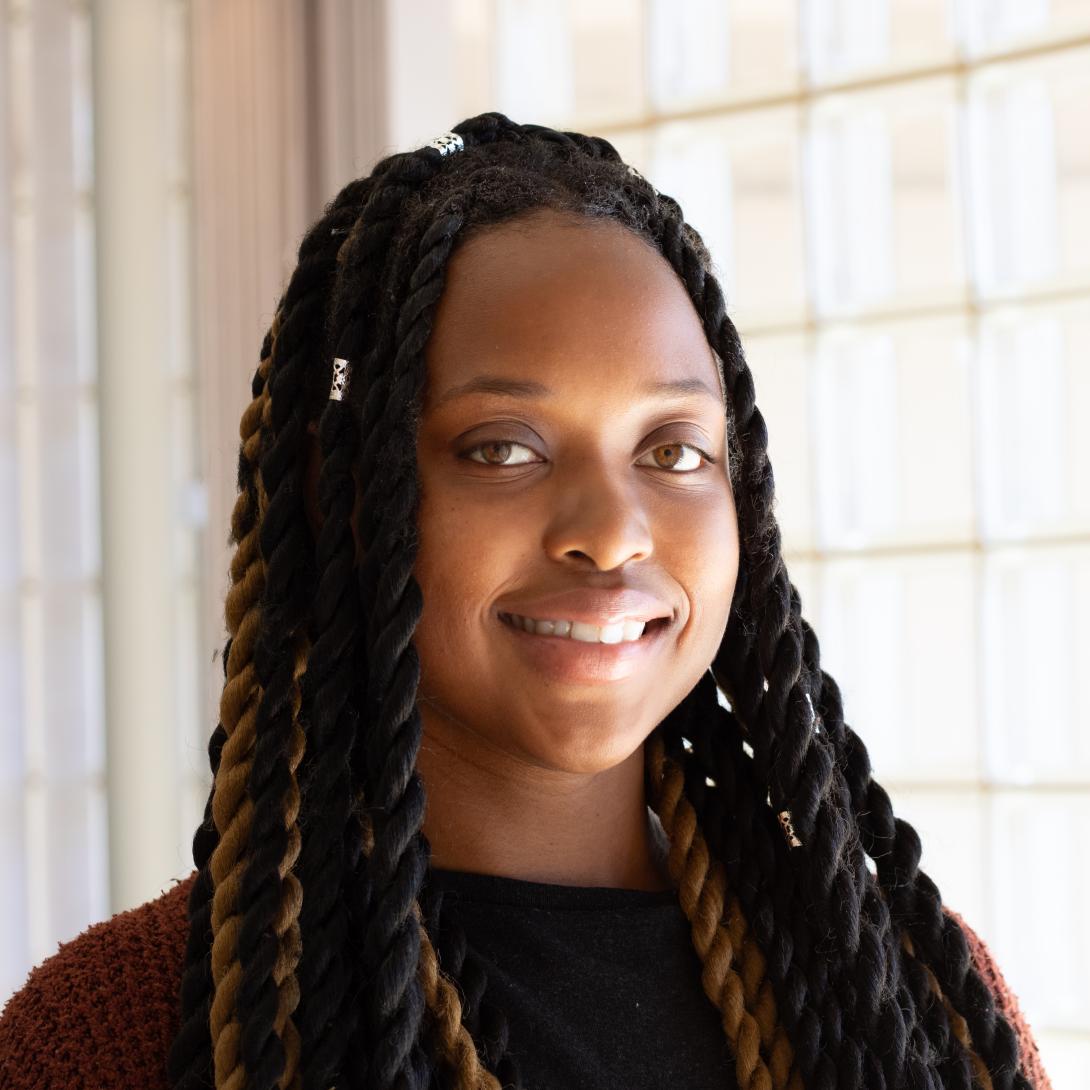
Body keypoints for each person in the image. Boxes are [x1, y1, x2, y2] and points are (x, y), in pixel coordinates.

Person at [0, 112, 1050, 1090]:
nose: (611, 527)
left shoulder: (915, 1003)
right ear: (346, 496)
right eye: (503, 448)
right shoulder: (116, 1033)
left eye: (673, 450)